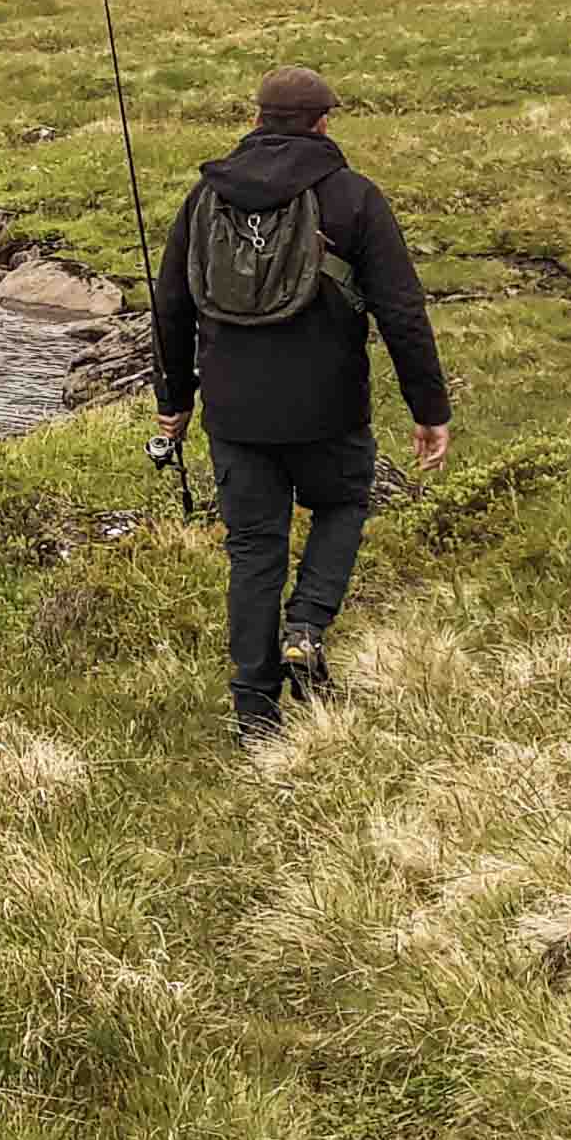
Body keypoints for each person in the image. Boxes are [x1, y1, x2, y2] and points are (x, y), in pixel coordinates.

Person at [150, 64, 451, 749]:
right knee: (341, 505)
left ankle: (254, 710)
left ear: (255, 118)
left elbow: (169, 306)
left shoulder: (204, 197)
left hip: (233, 411)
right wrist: (427, 408)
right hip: (328, 406)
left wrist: (173, 401)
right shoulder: (352, 197)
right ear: (322, 122)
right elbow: (402, 312)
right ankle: (306, 627)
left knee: (253, 548)